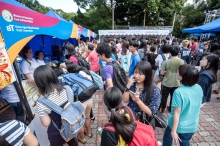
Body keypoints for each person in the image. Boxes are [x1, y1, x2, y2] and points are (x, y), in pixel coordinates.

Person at [34, 65, 78, 146]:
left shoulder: (41, 102)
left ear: (38, 82)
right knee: (71, 140)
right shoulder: (67, 89)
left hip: (57, 132)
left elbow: (46, 123)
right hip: (71, 125)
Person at [163, 64, 203, 146]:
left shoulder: (179, 92)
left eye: (179, 72)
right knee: (185, 142)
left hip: (178, 125)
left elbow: (177, 113)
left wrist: (174, 131)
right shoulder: (198, 87)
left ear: (181, 77)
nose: (177, 73)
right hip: (192, 124)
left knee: (168, 137)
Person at [66, 62, 93, 144]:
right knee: (87, 117)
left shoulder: (69, 77)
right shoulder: (81, 75)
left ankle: (82, 138)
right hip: (89, 99)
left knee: (80, 122)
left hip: (80, 102)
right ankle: (89, 133)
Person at [160, 46, 184, 113]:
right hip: (176, 82)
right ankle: (171, 109)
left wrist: (166, 72)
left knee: (164, 97)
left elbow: (162, 73)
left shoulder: (166, 62)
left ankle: (162, 109)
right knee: (173, 97)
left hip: (166, 82)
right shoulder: (182, 62)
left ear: (170, 52)